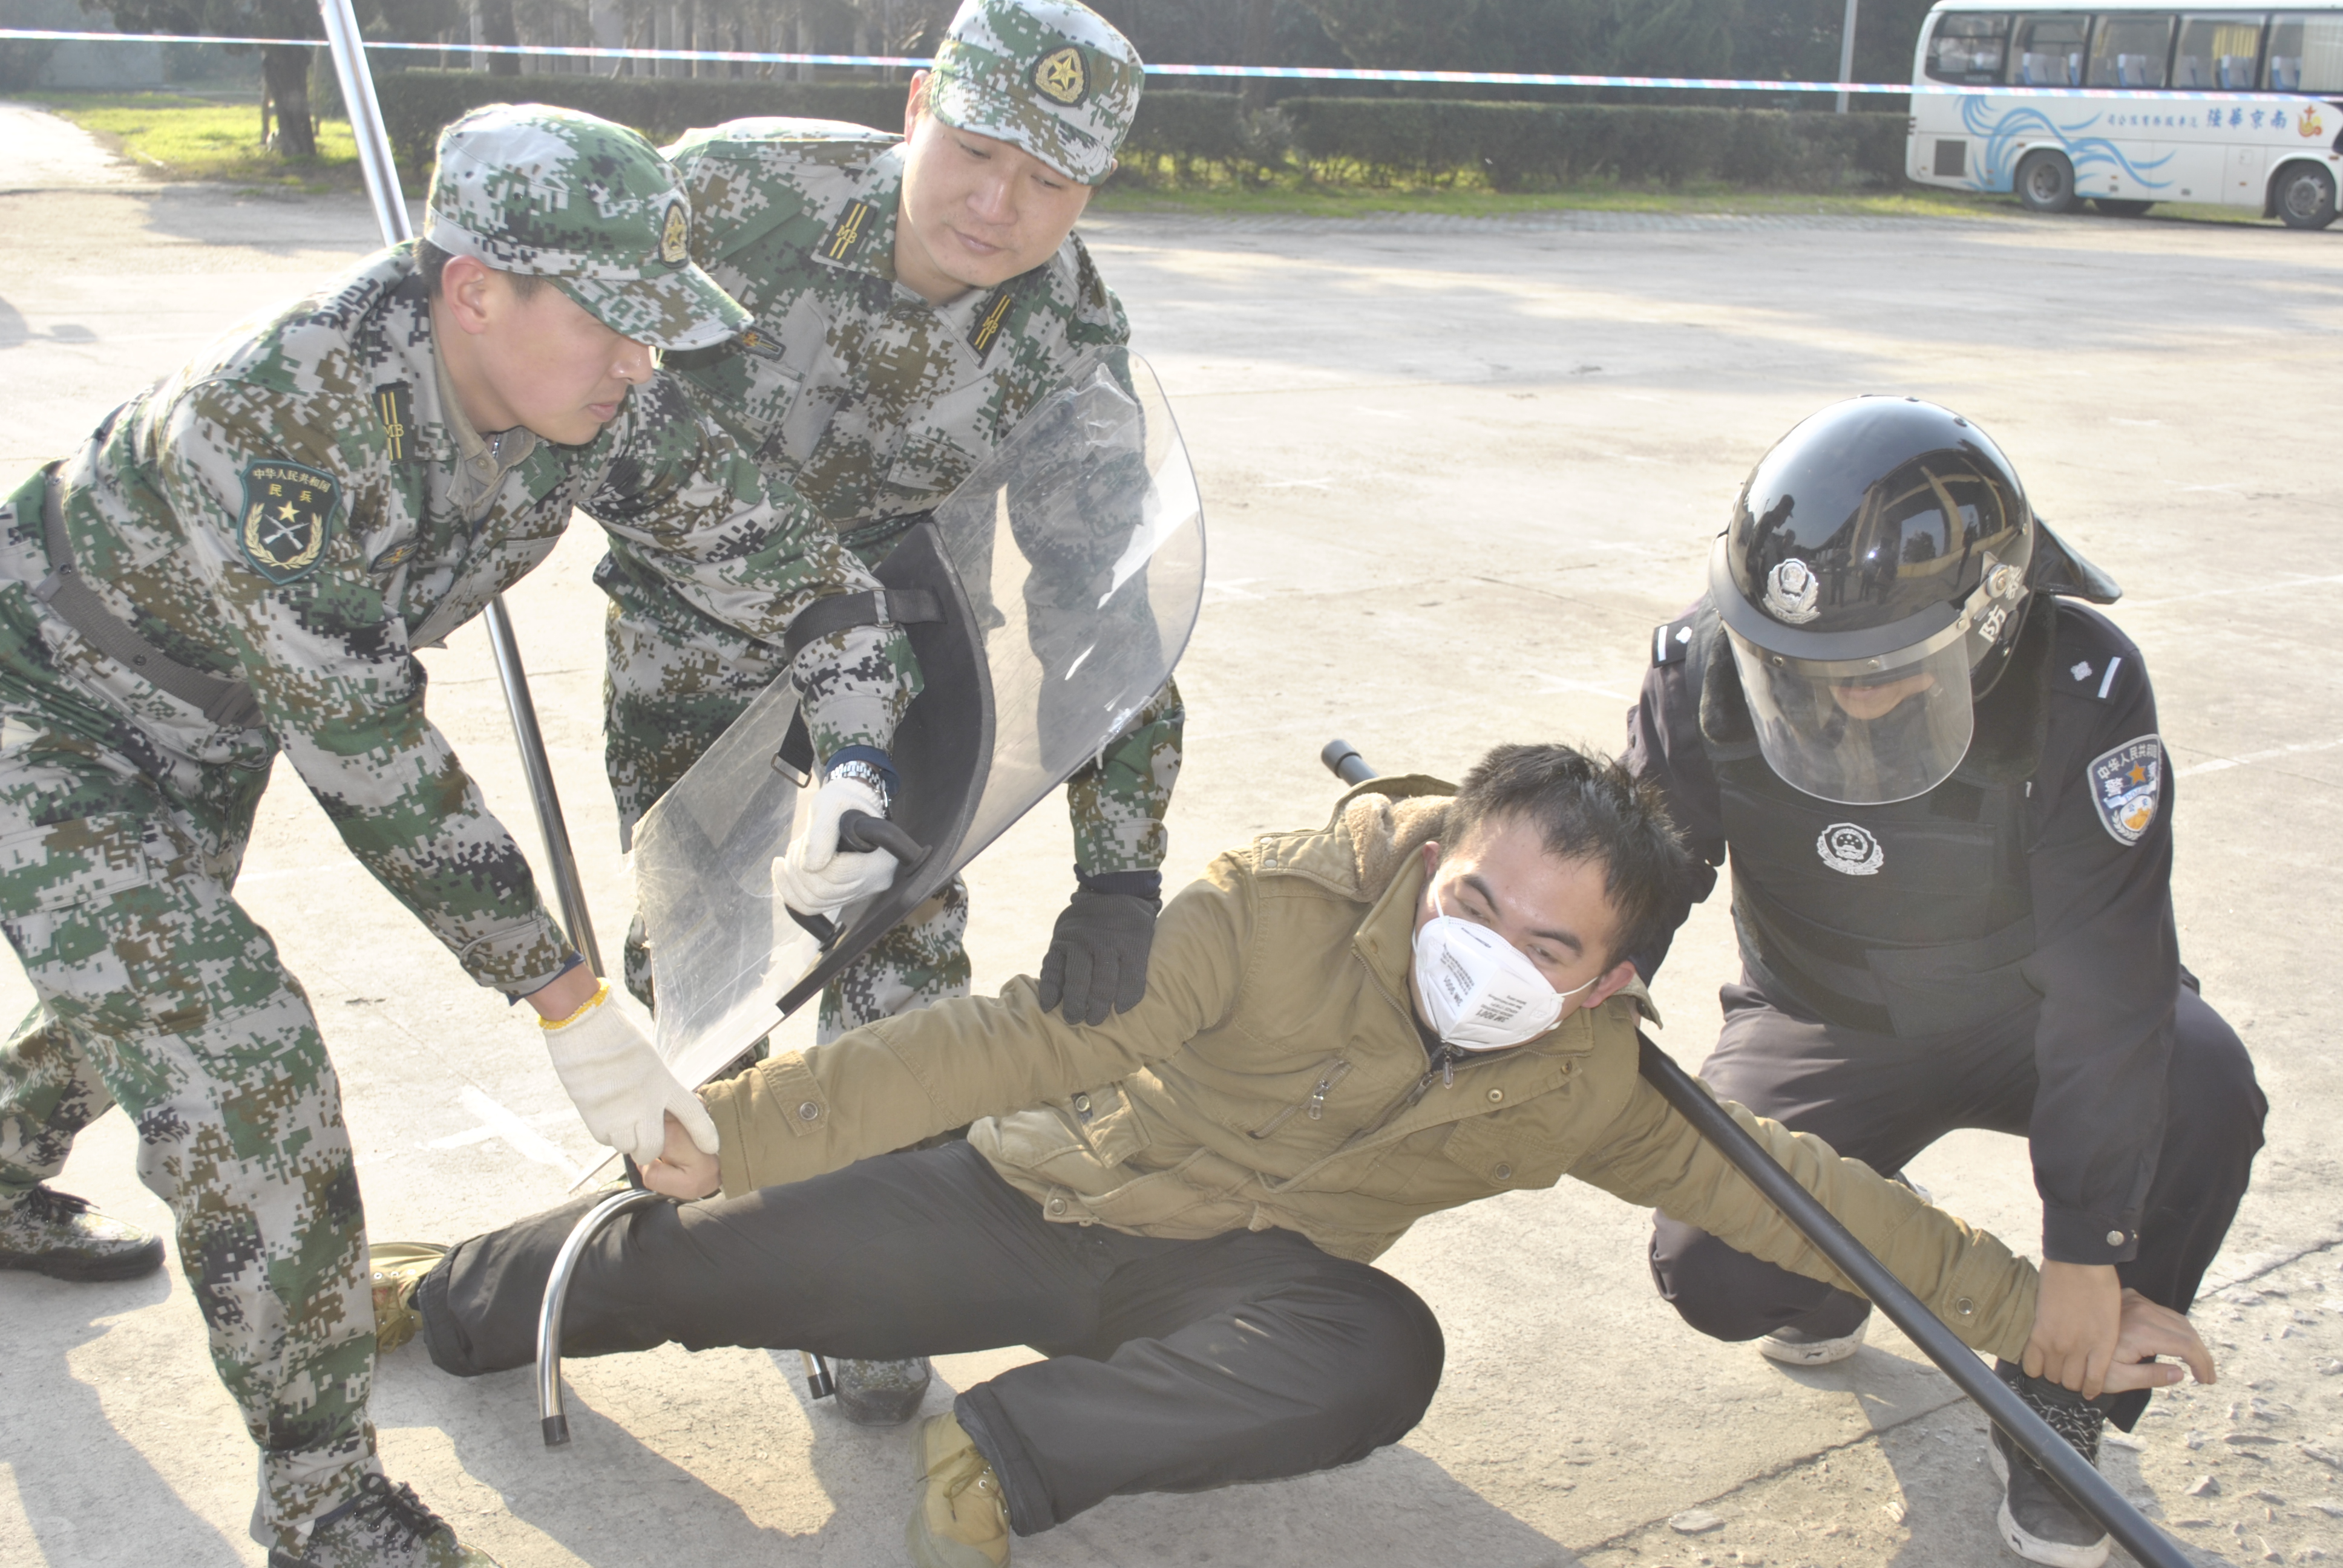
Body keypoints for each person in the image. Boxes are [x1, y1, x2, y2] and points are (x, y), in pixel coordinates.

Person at [372, 743, 2212, 1568]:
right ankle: (431, 1300)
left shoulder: (1586, 1083)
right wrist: (727, 1135)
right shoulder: (1266, 909)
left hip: (1234, 1273)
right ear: (1439, 859)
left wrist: (2050, 1305)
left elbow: (1792, 1195)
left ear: (1610, 986)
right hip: (1036, 1189)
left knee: (1381, 1353)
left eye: (1545, 945)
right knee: (693, 1263)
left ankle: (998, 1468)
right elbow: (1011, 1034)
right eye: (1473, 897)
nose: (1485, 945)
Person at [0, 105, 919, 1568]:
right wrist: (567, 999)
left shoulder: (599, 389)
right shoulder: (284, 424)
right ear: (473, 287)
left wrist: (855, 760)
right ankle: (319, 1499)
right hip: (55, 706)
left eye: (659, 325)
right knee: (235, 1057)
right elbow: (370, 757)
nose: (644, 360)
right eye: (617, 322)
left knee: (143, 978)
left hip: (231, 703)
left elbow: (814, 582)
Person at [629, 0, 1179, 1426]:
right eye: (980, 148)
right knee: (701, 964)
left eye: (1051, 181)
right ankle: (688, 1226)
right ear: (921, 95)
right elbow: (529, 332)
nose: (999, 205)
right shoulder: (733, 195)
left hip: (917, 642)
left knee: (898, 973)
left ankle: (855, 1284)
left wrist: (1117, 869)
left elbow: (1102, 604)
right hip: (697, 652)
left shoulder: (1064, 328)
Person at [1622, 396, 2265, 1568]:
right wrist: (1579, 975)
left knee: (2205, 1087)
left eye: (1881, 670)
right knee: (1710, 1266)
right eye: (1807, 670)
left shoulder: (2081, 686)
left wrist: (2081, 1255)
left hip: (2039, 1012)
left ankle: (2058, 1405)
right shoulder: (1709, 663)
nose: (1844, 697)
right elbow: (1644, 868)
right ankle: (1832, 1284)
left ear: (1992, 620)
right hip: (1825, 1012)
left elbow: (2109, 988)